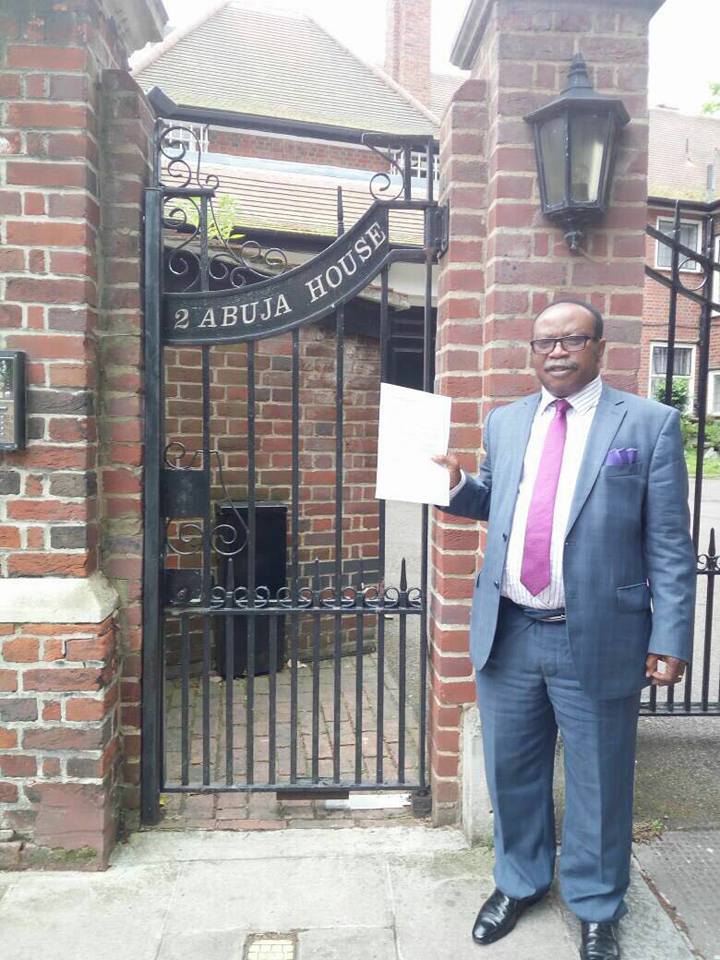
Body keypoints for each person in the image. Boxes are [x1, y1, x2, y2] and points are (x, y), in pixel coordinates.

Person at [434, 300, 696, 960]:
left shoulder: (649, 423)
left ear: (599, 347)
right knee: (512, 769)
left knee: (600, 779)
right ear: (532, 351)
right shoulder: (506, 421)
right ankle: (518, 881)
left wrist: (670, 636)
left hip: (599, 633)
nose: (556, 351)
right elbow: (500, 499)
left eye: (572, 339)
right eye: (544, 342)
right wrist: (460, 485)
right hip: (511, 629)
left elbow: (670, 542)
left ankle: (597, 904)